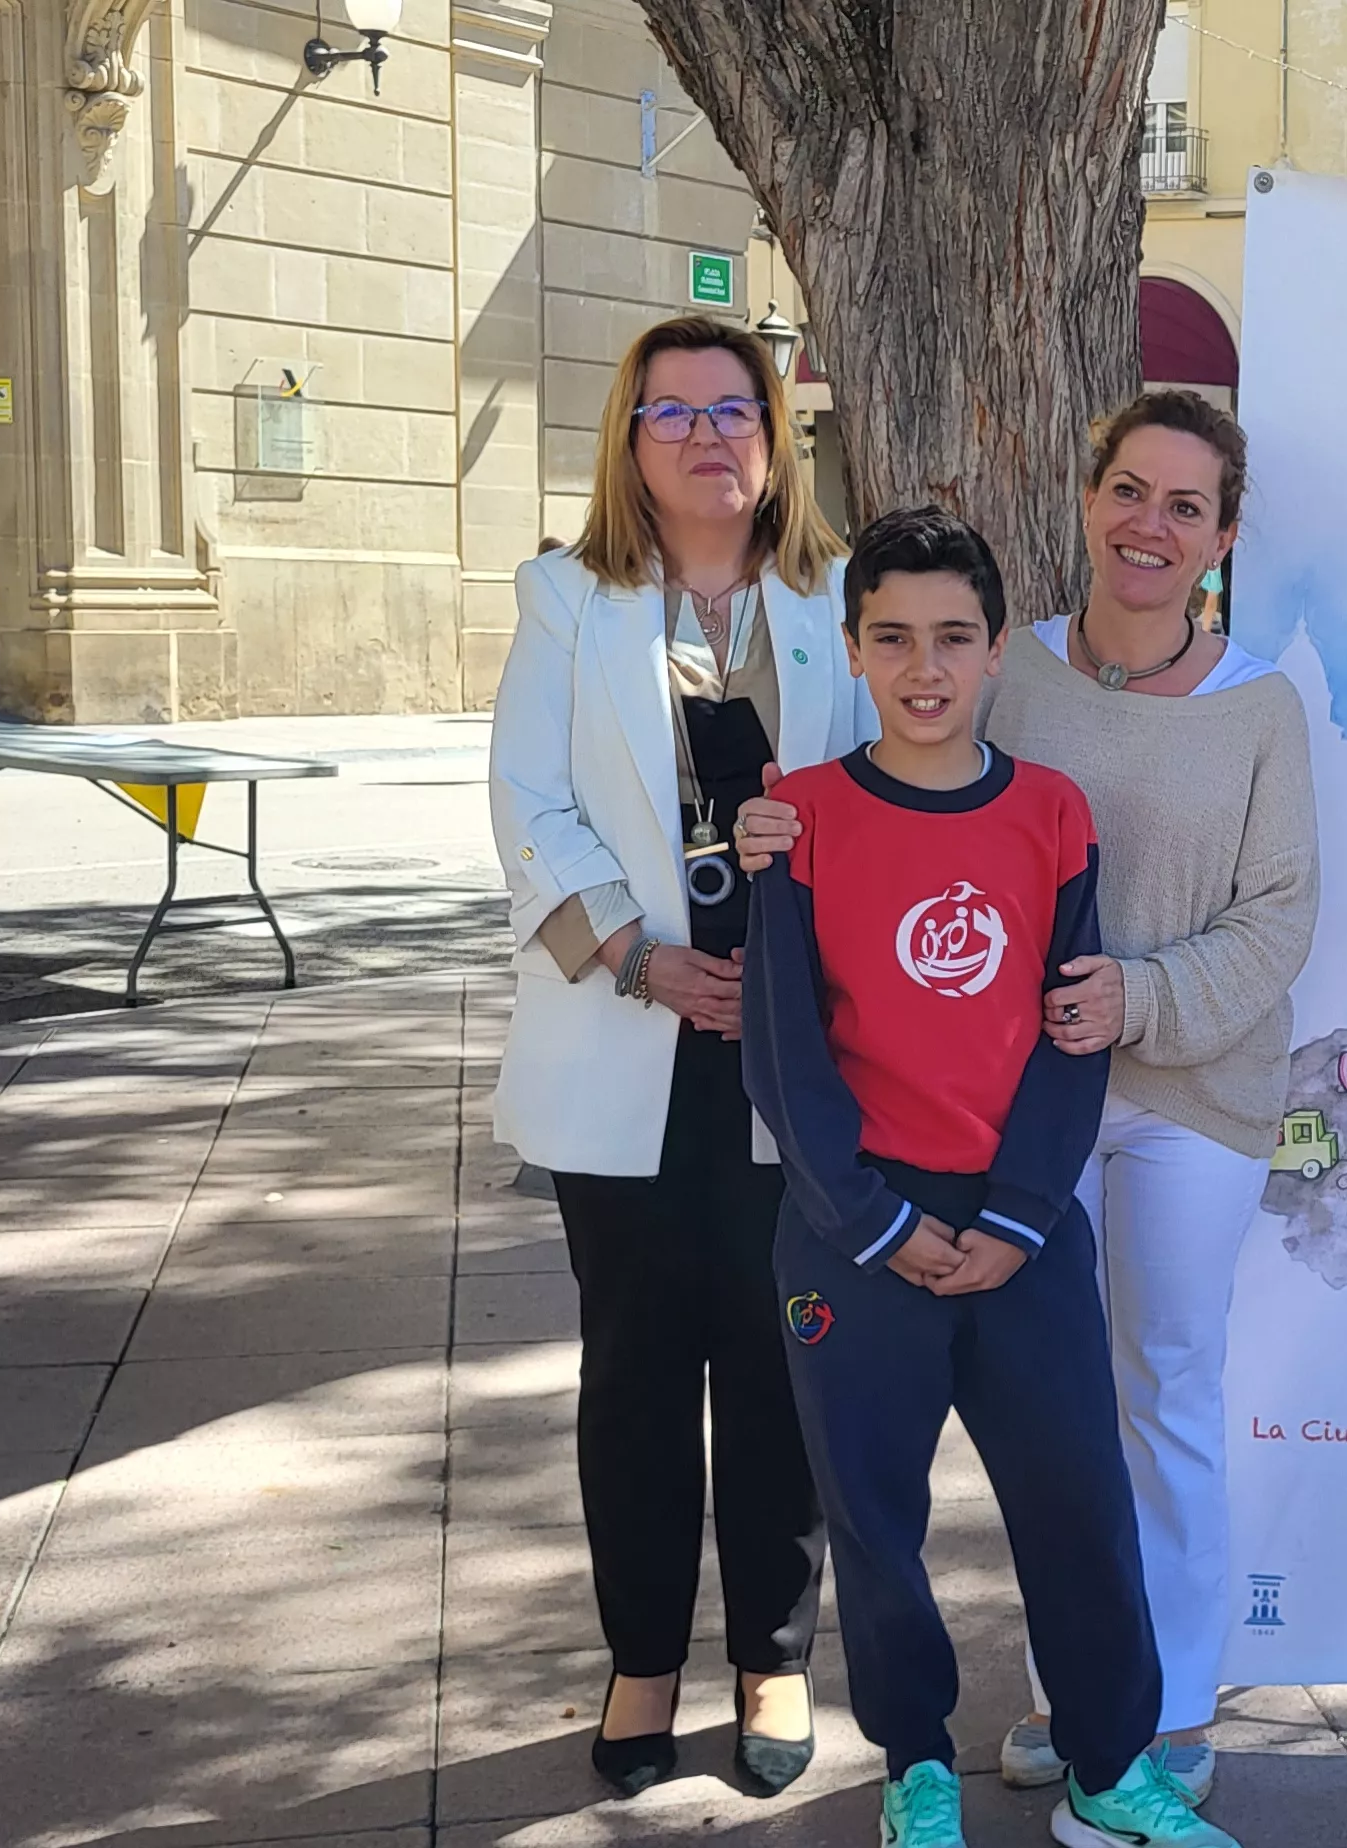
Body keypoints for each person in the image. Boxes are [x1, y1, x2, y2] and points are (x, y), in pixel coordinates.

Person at [733, 392, 1321, 1808]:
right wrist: (767, 826)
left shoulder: (1259, 706)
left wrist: (1142, 997)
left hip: (1183, 1090)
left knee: (1162, 1392)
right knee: (1059, 1426)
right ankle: (1069, 1706)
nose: (1150, 524)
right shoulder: (1018, 666)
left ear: (1223, 538)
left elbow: (1280, 915)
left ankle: (1170, 1711)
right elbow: (901, 786)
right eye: (1129, 491)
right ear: (1088, 498)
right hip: (1017, 1108)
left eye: (1187, 506)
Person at [486, 313, 855, 1800]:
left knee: (779, 1366)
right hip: (627, 1039)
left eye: (733, 409)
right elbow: (529, 803)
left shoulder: (838, 602)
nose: (707, 436)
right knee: (634, 1375)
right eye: (673, 413)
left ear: (775, 437)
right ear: (628, 443)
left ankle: (772, 1655)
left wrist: (786, 972)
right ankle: (642, 1656)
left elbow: (886, 800)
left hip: (794, 1058)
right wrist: (642, 957)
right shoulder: (568, 601)